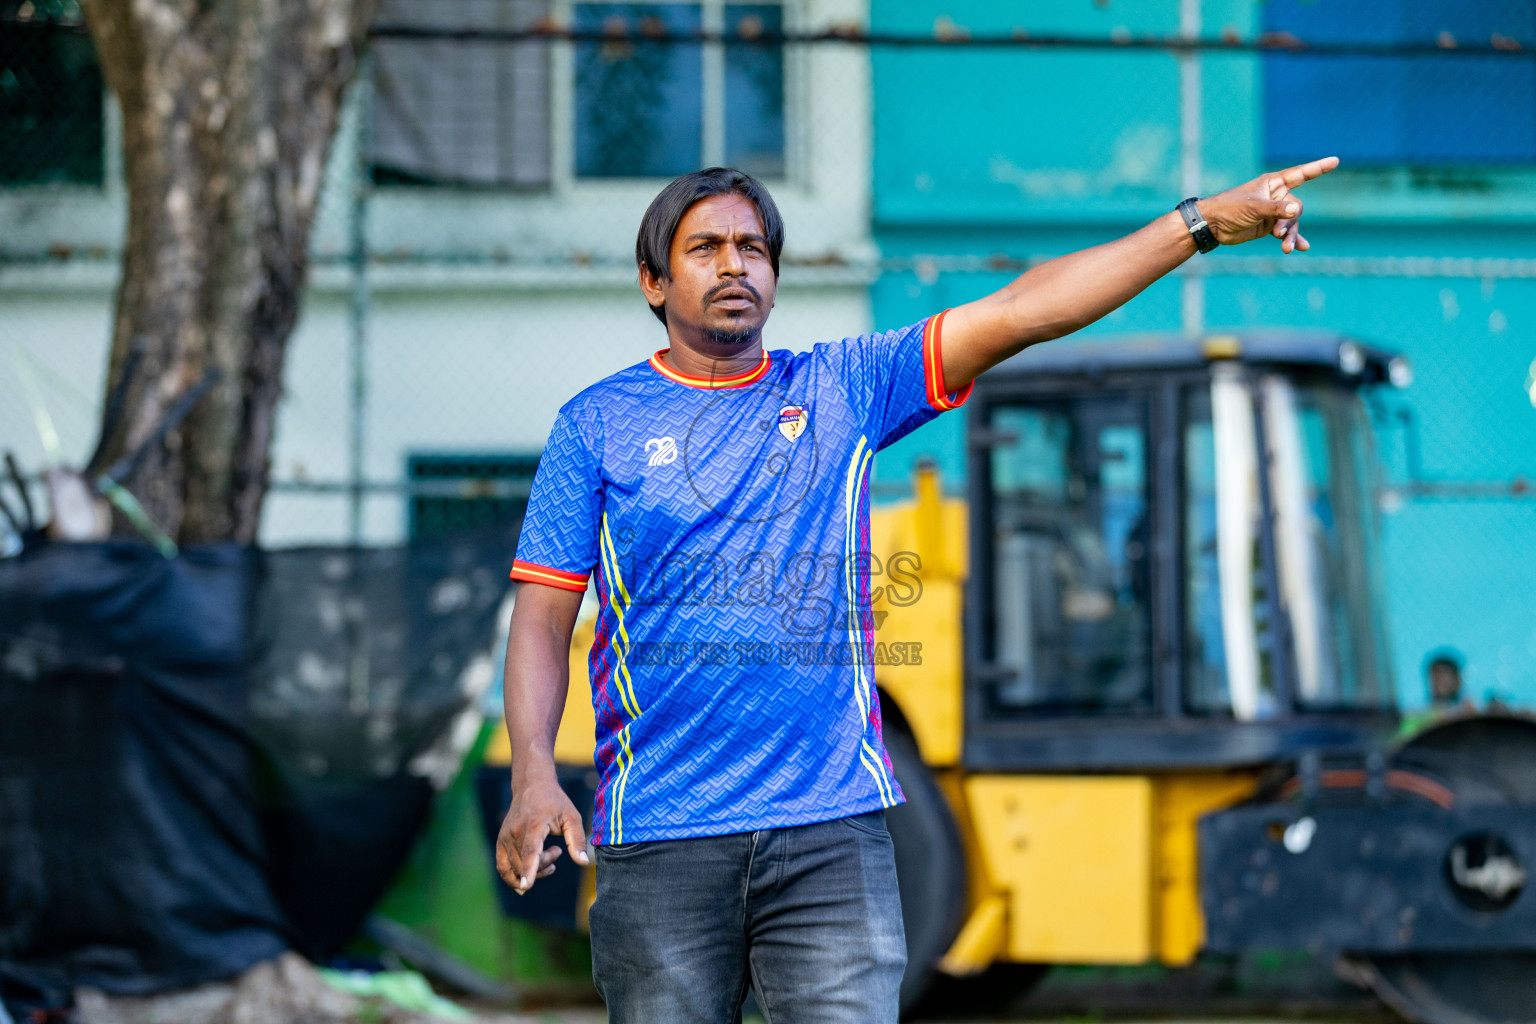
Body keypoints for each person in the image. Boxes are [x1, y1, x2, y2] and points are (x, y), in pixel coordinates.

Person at [496, 159, 1337, 1023]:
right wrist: (532, 774)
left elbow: (1024, 310)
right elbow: (542, 619)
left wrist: (1194, 224)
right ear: (654, 279)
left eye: (753, 247)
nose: (734, 265)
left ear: (777, 279)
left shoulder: (841, 388)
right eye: (705, 247)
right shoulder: (594, 425)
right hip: (664, 834)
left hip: (831, 835)